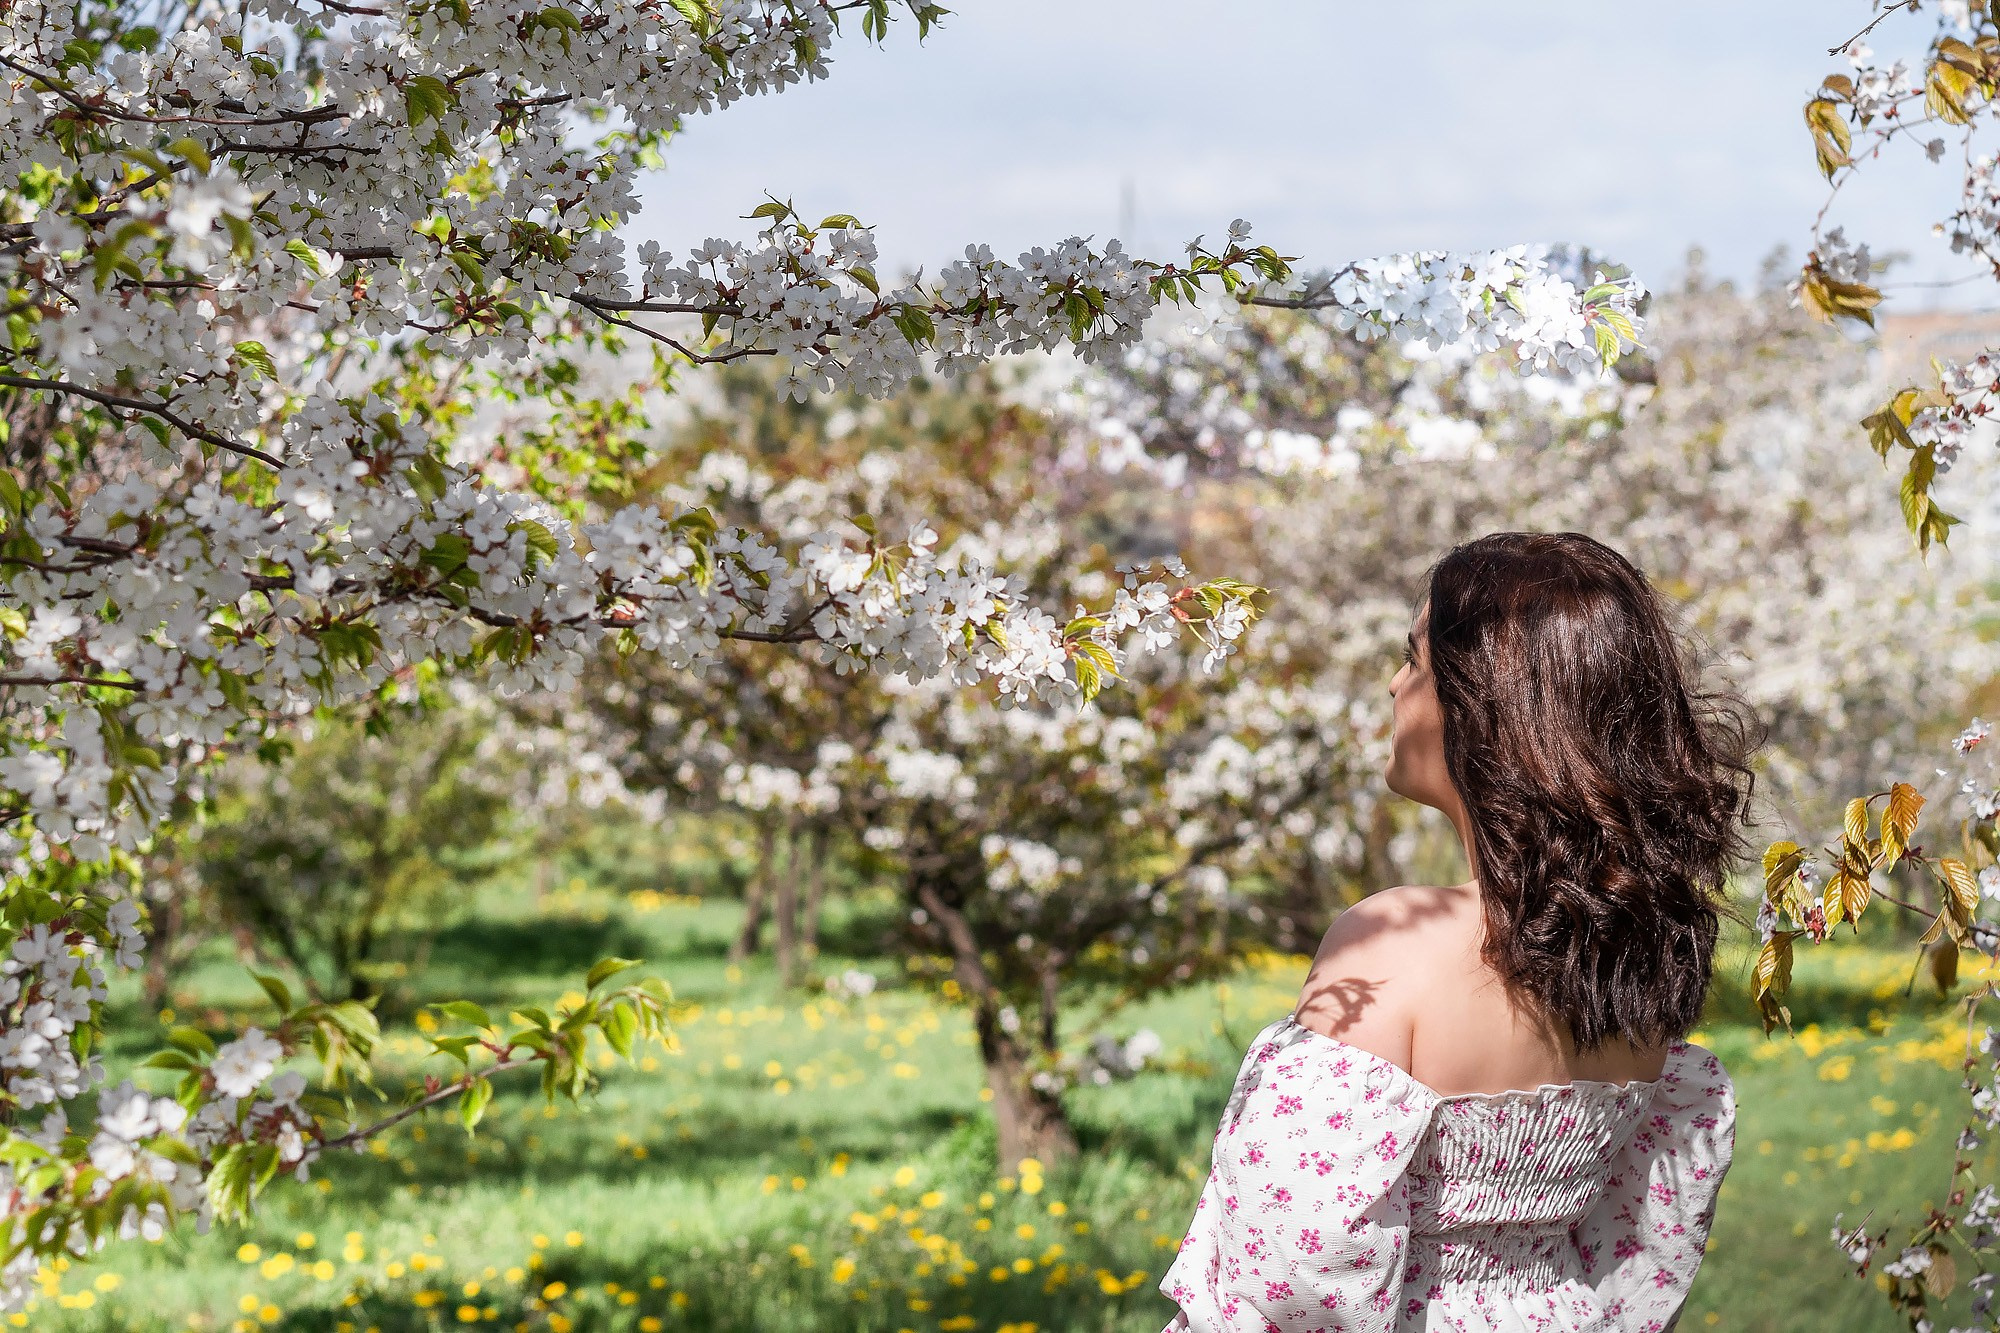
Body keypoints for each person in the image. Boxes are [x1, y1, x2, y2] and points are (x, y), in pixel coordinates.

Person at [1159, 532, 1756, 1332]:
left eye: (1414, 659)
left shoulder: (1392, 940)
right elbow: (1640, 1249)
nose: (1393, 683)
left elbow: (1295, 1274)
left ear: (1483, 703)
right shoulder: (1630, 963)